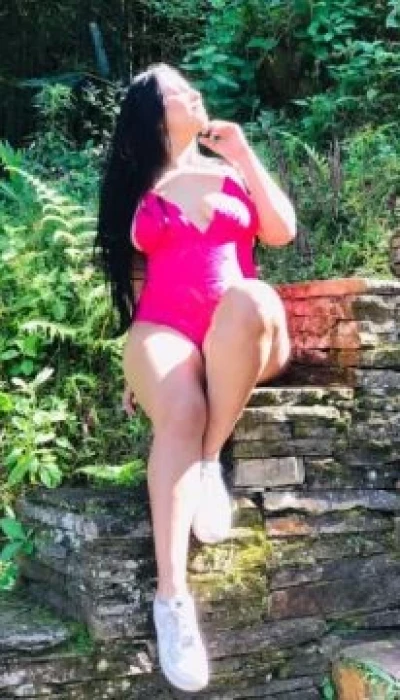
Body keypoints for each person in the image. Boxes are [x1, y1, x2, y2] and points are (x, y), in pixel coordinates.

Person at [95, 62, 295, 693]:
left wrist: (243, 152)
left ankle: (209, 461)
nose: (194, 92)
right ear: (155, 115)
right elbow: (134, 282)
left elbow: (282, 232)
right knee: (180, 408)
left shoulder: (230, 171)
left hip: (241, 332)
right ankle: (172, 600)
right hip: (165, 328)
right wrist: (143, 370)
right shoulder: (137, 188)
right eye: (179, 90)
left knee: (254, 297)